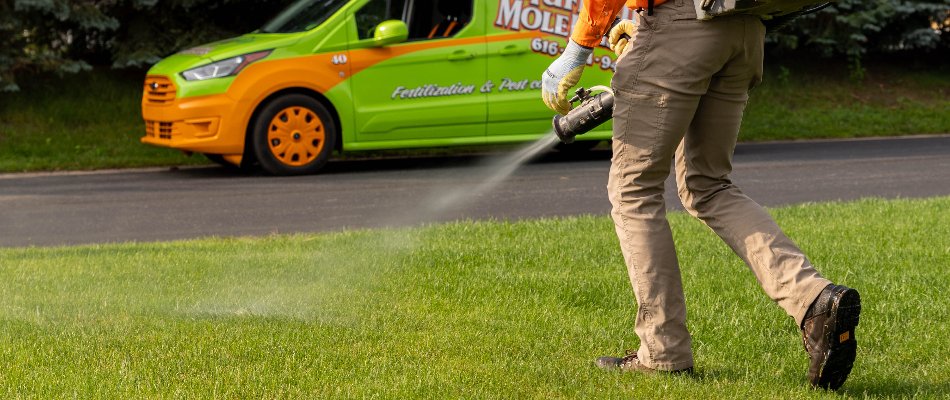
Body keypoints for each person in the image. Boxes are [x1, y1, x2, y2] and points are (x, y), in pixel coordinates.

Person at [540, 0, 862, 390]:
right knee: (708, 185)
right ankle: (814, 300)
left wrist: (577, 49)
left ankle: (663, 353)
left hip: (681, 26)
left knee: (633, 190)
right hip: (742, 31)